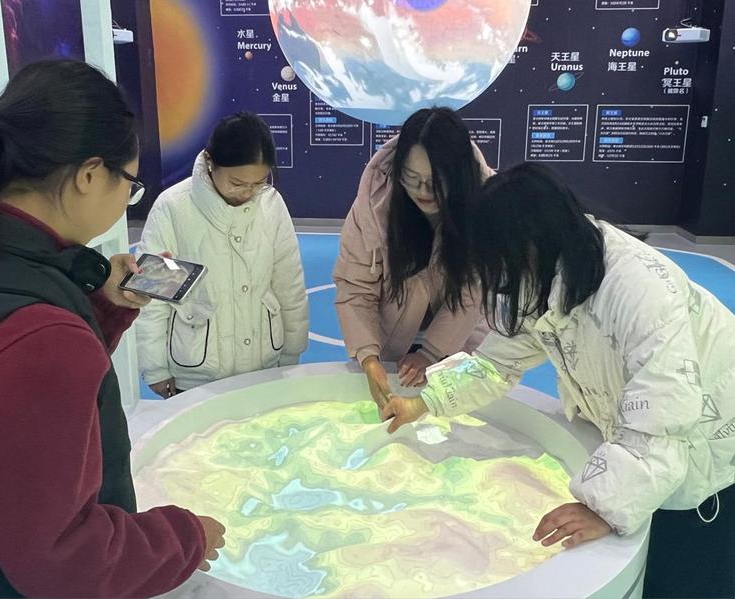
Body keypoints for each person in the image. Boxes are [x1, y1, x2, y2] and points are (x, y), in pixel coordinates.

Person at [0, 60, 224, 598]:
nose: (126, 199)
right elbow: (60, 559)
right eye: (130, 184)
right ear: (90, 175)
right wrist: (183, 538)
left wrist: (97, 309)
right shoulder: (41, 340)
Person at [382, 163, 735, 598]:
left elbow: (662, 415)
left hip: (709, 448)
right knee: (647, 544)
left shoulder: (639, 291)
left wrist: (603, 506)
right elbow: (497, 363)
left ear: (527, 244)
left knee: (687, 575)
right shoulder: (539, 273)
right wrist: (425, 402)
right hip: (653, 453)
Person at [136, 112, 308, 397]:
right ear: (210, 163)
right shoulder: (173, 208)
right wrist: (155, 368)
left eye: (258, 182)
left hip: (263, 366)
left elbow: (288, 285)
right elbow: (154, 298)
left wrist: (291, 353)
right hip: (196, 374)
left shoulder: (272, 205)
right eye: (237, 182)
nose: (248, 192)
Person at [333, 107, 493, 411]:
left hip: (462, 336)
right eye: (411, 177)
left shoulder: (486, 205)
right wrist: (369, 357)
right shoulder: (371, 208)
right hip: (390, 337)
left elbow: (474, 292)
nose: (423, 190)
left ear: (459, 175)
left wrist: (430, 353)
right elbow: (355, 287)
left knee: (456, 418)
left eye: (436, 180)